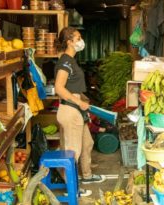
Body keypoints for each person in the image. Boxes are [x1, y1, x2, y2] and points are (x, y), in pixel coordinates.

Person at [54, 27, 106, 195]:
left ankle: (87, 175)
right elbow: (59, 88)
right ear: (69, 42)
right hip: (70, 111)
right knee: (72, 152)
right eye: (78, 38)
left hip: (77, 108)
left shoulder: (71, 60)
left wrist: (82, 98)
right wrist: (78, 101)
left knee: (87, 143)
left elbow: (72, 86)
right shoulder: (65, 62)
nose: (81, 41)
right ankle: (72, 188)